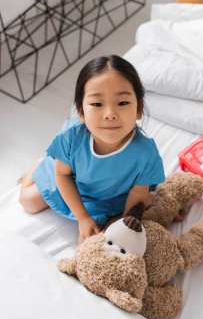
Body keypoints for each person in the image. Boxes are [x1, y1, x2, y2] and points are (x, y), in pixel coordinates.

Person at [19, 55, 165, 244]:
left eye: (122, 103)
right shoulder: (72, 136)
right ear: (80, 111)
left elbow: (137, 193)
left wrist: (123, 227)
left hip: (114, 195)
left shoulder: (145, 152)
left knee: (100, 238)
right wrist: (83, 218)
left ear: (138, 109)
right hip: (71, 182)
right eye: (97, 104)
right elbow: (62, 176)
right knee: (28, 201)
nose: (110, 114)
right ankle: (40, 164)